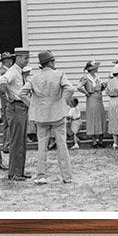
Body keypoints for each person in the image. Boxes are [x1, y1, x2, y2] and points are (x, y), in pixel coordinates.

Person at [20, 50, 74, 184]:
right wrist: (64, 102)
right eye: (53, 60)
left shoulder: (33, 78)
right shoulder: (59, 75)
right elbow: (70, 89)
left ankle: (41, 175)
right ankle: (66, 176)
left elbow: (21, 93)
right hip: (58, 115)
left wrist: (33, 105)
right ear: (50, 62)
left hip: (41, 116)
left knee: (42, 147)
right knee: (62, 145)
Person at [0, 48, 32, 181]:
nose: (27, 61)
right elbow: (1, 82)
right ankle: (14, 172)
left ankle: (19, 170)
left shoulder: (19, 72)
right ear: (18, 58)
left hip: (21, 107)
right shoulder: (12, 71)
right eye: (25, 58)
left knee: (22, 141)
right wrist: (9, 95)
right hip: (15, 107)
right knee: (16, 141)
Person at [78, 61, 107, 147]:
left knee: (101, 117)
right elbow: (79, 87)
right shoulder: (86, 78)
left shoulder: (97, 77)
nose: (97, 69)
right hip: (91, 99)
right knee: (93, 118)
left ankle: (101, 140)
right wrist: (86, 92)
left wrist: (103, 87)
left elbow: (99, 88)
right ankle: (94, 141)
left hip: (99, 98)